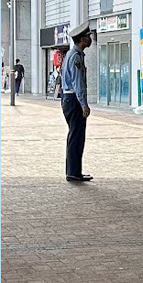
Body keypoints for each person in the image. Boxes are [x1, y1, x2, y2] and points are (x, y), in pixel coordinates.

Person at [61, 22, 93, 182]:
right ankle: (73, 172)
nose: (90, 39)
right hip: (73, 99)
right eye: (88, 37)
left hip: (69, 98)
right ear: (82, 39)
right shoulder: (76, 56)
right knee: (76, 136)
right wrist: (84, 104)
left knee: (75, 136)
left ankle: (74, 170)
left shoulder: (72, 54)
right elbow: (78, 82)